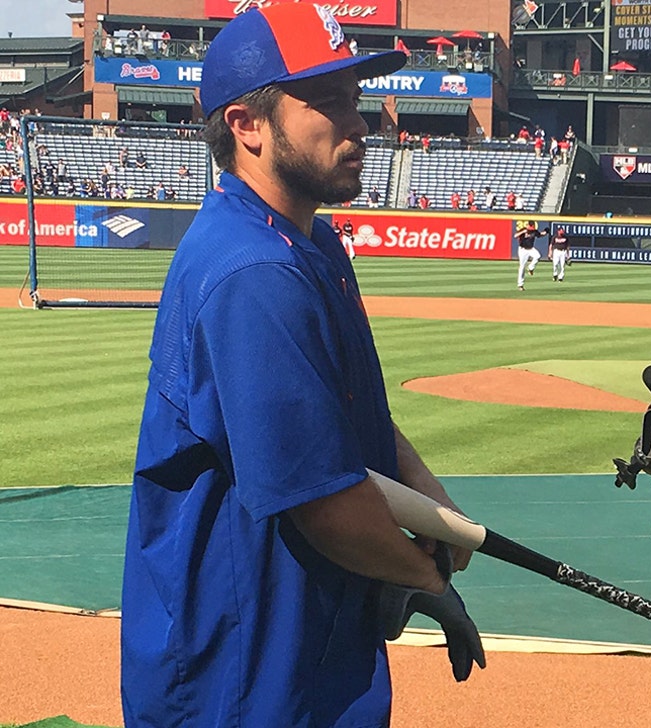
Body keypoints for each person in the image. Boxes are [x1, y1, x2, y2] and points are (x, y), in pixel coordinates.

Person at [122, 7, 483, 725]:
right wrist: (424, 578)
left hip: (307, 641)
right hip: (245, 665)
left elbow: (345, 411)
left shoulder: (310, 246)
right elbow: (320, 501)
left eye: (353, 97)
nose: (358, 124)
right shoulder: (251, 270)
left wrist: (426, 492)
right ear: (246, 125)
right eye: (325, 102)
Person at [515, 220, 545, 289]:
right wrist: (522, 232)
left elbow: (540, 235)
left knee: (538, 256)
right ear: (528, 225)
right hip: (522, 250)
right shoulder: (523, 230)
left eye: (533, 226)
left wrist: (546, 232)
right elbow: (515, 236)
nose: (532, 227)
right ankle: (520, 284)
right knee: (522, 267)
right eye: (531, 226)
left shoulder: (534, 231)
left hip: (531, 249)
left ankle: (530, 268)